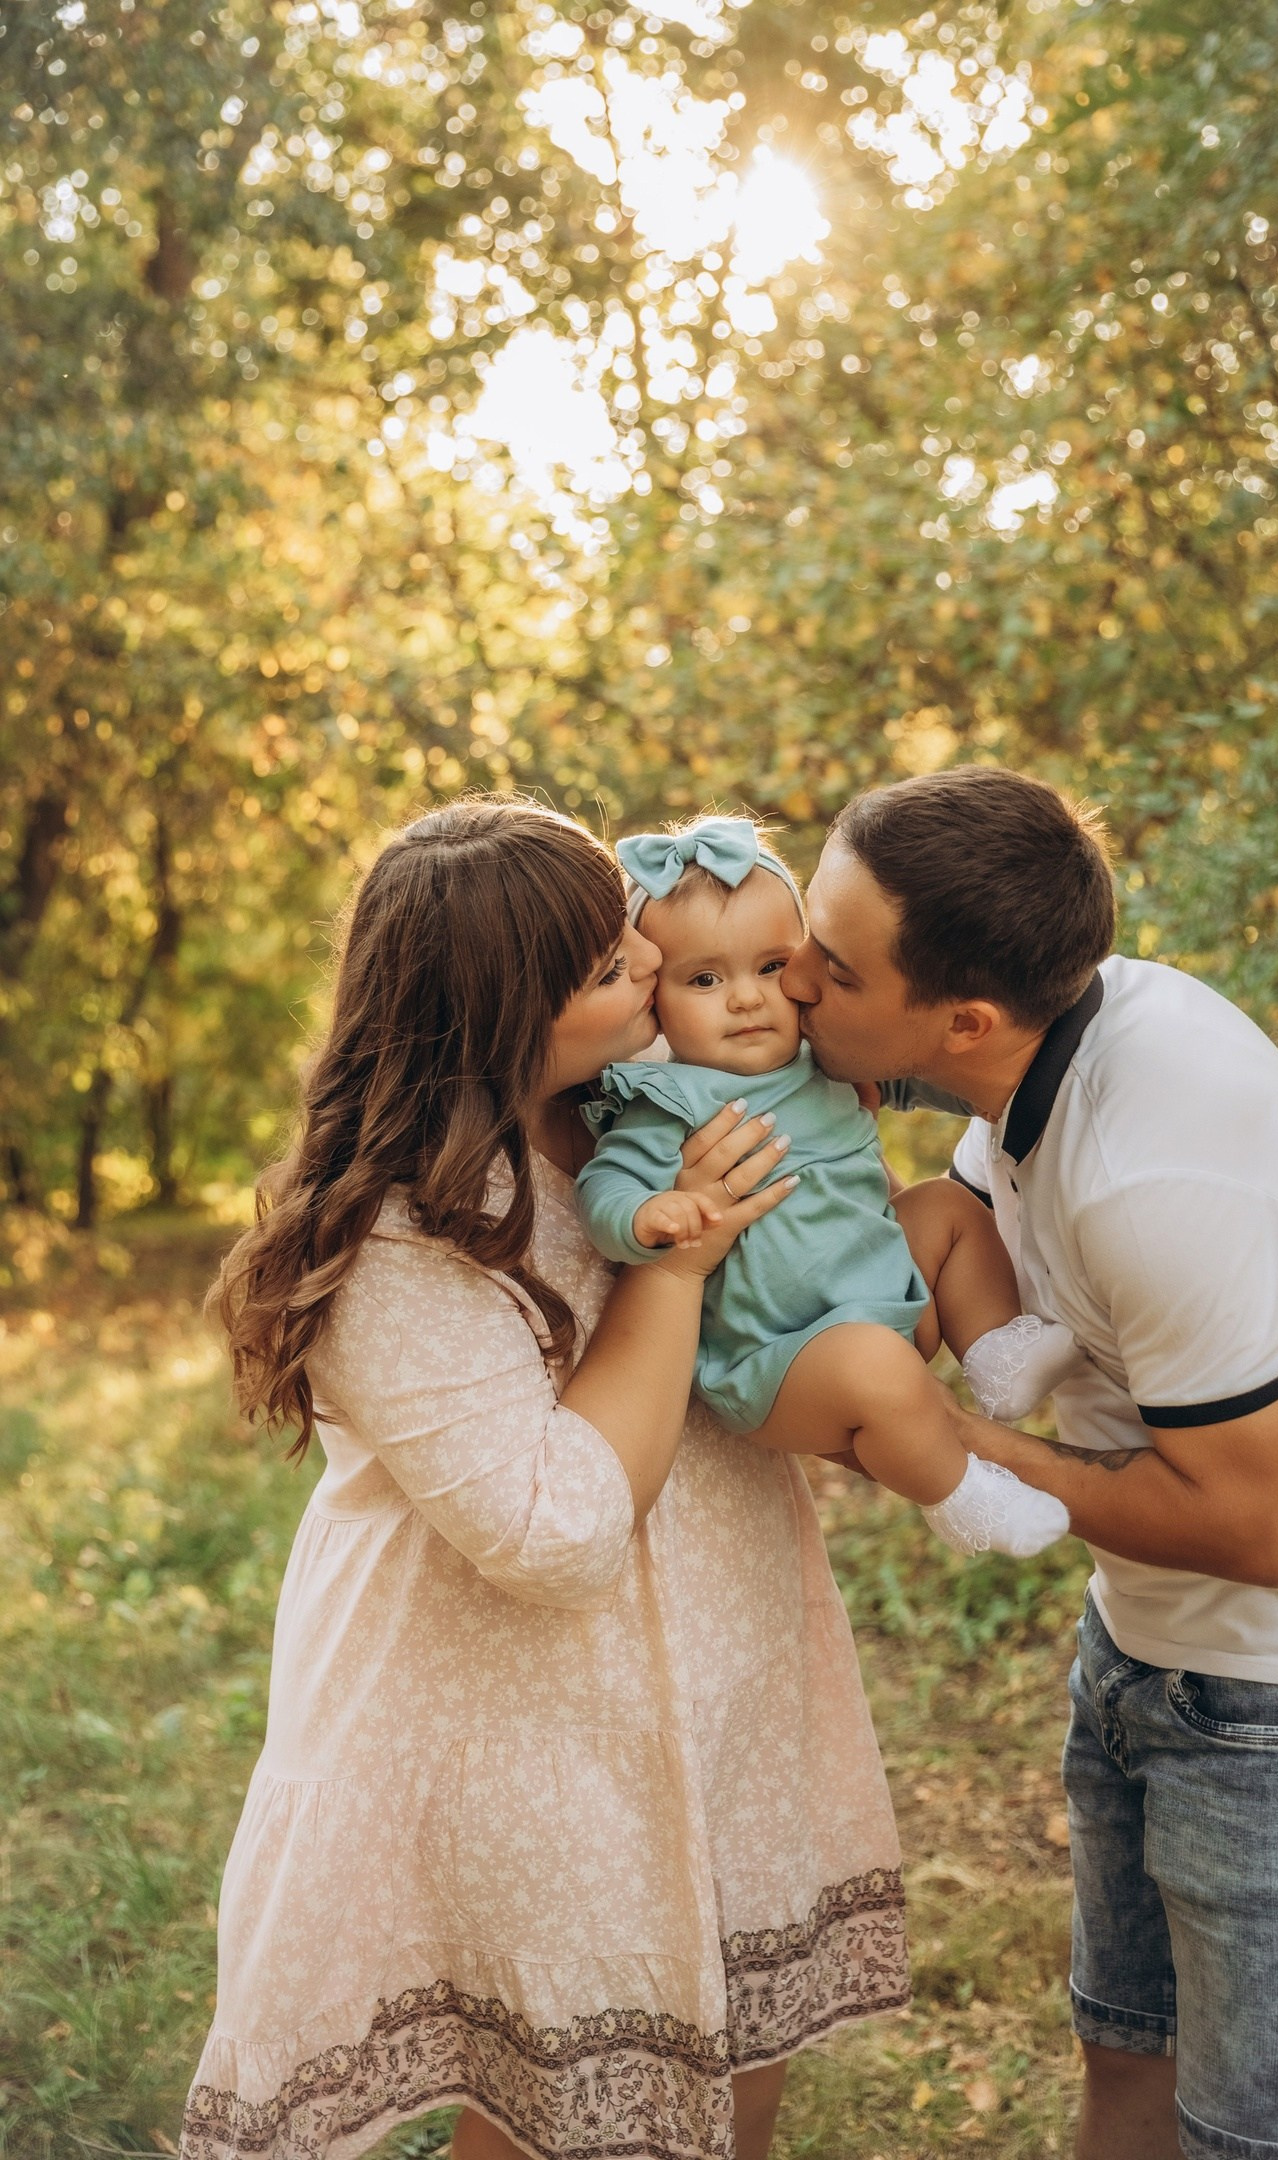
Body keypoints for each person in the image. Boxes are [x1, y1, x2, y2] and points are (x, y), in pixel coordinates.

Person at [179, 797, 910, 2160]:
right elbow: (555, 1529)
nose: (649, 962)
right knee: (565, 2110)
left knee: (734, 2073)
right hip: (518, 1728)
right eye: (606, 968)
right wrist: (673, 1267)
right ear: (498, 1016)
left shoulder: (649, 1105)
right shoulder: (402, 1234)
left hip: (724, 1670)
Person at [781, 764, 1278, 2160]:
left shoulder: (1155, 1174)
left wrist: (970, 1444)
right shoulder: (1051, 1045)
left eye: (827, 967)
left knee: (1264, 2140)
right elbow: (947, 1234)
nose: (789, 983)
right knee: (1125, 2055)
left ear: (959, 1018)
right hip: (1145, 1642)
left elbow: (1267, 1531)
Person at [575, 813, 1076, 1559]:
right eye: (705, 979)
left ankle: (997, 1353)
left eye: (771, 967)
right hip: (784, 1361)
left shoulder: (826, 1056)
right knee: (872, 1368)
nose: (746, 998)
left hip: (892, 1297)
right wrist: (648, 1212)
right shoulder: (667, 1100)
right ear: (657, 1003)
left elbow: (950, 1067)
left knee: (944, 1206)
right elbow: (604, 1184)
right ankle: (962, 1498)